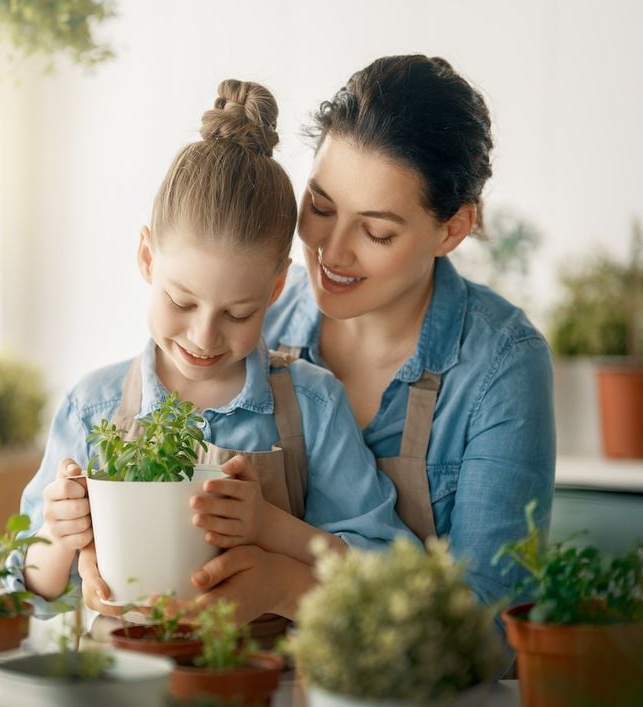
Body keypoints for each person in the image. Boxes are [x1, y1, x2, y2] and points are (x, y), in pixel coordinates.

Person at [7, 79, 414, 627]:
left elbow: (385, 569)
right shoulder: (92, 407)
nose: (203, 337)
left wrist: (270, 527)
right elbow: (28, 587)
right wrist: (59, 537)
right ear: (148, 258)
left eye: (238, 314)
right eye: (181, 301)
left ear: (275, 290)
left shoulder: (311, 405)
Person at [182, 55, 556, 632]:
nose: (332, 251)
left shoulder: (502, 364)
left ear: (452, 229)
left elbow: (494, 625)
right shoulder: (251, 324)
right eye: (321, 208)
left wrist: (289, 587)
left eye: (377, 232)